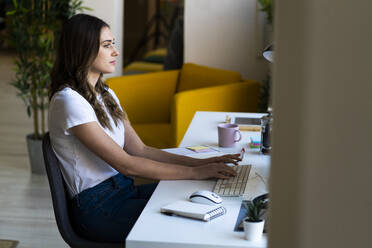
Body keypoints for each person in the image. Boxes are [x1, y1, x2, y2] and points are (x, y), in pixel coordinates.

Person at [48, 13, 240, 243]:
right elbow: (126, 164)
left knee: (198, 193)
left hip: (123, 191)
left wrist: (203, 164)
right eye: (107, 46)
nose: (115, 52)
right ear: (83, 49)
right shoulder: (69, 101)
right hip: (98, 207)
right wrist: (195, 172)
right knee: (190, 223)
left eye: (113, 45)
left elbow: (140, 150)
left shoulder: (105, 93)